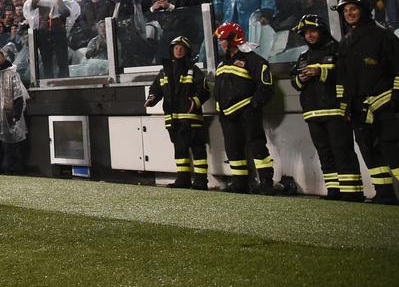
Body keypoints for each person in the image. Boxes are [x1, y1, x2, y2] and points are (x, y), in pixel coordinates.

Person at [334, 0, 399, 204]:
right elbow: (342, 79)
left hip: (386, 106)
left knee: (393, 149)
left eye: (352, 9)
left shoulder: (385, 37)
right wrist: (344, 106)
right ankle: (385, 194)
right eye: (345, 11)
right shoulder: (345, 43)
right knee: (369, 151)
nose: (348, 14)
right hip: (358, 109)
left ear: (364, 10)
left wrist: (395, 97)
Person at [290, 14, 360, 201]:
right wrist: (300, 78)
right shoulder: (303, 56)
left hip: (336, 110)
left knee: (342, 150)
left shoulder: (337, 50)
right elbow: (294, 82)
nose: (309, 35)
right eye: (306, 33)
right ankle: (334, 190)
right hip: (313, 112)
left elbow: (347, 74)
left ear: (322, 31)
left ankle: (352, 191)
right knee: (324, 152)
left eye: (313, 31)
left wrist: (321, 71)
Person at [212, 22, 275, 194]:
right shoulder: (223, 63)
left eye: (222, 39)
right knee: (233, 148)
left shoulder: (253, 60)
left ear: (234, 39)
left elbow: (266, 86)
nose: (220, 43)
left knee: (257, 146)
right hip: (227, 115)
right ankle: (240, 182)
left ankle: (266, 182)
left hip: (247, 113)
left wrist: (254, 107)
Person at [145, 37, 210, 189]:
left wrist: (195, 101)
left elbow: (205, 90)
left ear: (186, 51)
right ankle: (183, 179)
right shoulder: (164, 72)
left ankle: (201, 181)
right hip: (173, 120)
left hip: (192, 119)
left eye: (181, 48)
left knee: (198, 150)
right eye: (175, 48)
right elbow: (155, 89)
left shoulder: (194, 70)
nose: (178, 50)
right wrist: (152, 98)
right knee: (180, 151)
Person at [22, 0, 81, 80]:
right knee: (46, 60)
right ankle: (48, 82)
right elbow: (31, 7)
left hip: (58, 32)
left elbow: (66, 13)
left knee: (62, 60)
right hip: (43, 32)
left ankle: (64, 81)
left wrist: (59, 1)